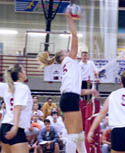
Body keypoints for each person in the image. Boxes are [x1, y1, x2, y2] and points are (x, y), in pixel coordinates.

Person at [38, 8, 98, 153]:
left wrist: (90, 91)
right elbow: (75, 37)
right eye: (66, 51)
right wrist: (69, 17)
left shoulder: (71, 65)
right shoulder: (69, 60)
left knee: (79, 135)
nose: (69, 51)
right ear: (63, 56)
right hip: (69, 98)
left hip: (71, 96)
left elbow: (77, 89)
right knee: (74, 136)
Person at [88, 69, 125, 153]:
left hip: (119, 132)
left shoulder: (113, 95)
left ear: (121, 82)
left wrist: (91, 131)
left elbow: (101, 115)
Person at [0, 64, 33, 153]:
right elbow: (17, 107)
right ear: (20, 74)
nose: (25, 73)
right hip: (15, 128)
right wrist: (15, 127)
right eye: (24, 71)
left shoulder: (6, 86)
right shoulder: (22, 88)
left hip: (4, 127)